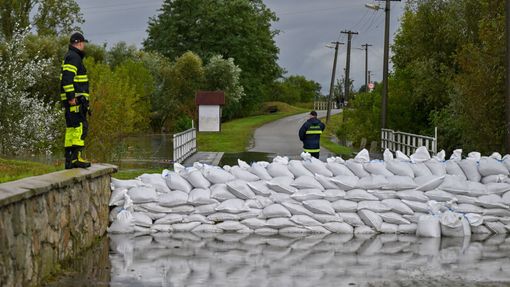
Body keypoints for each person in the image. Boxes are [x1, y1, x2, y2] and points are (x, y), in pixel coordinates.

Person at [60, 32, 91, 169]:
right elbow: (67, 78)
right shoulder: (74, 57)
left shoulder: (70, 56)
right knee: (79, 128)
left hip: (73, 100)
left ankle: (69, 160)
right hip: (76, 100)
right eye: (83, 43)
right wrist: (72, 97)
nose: (84, 45)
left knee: (72, 130)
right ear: (79, 43)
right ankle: (76, 159)